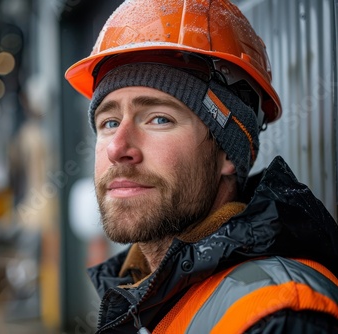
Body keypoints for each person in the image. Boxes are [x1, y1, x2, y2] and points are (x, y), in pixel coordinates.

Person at [65, 0, 338, 333]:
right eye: (108, 122)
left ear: (227, 152)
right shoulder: (146, 293)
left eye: (159, 119)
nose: (118, 148)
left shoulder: (279, 316)